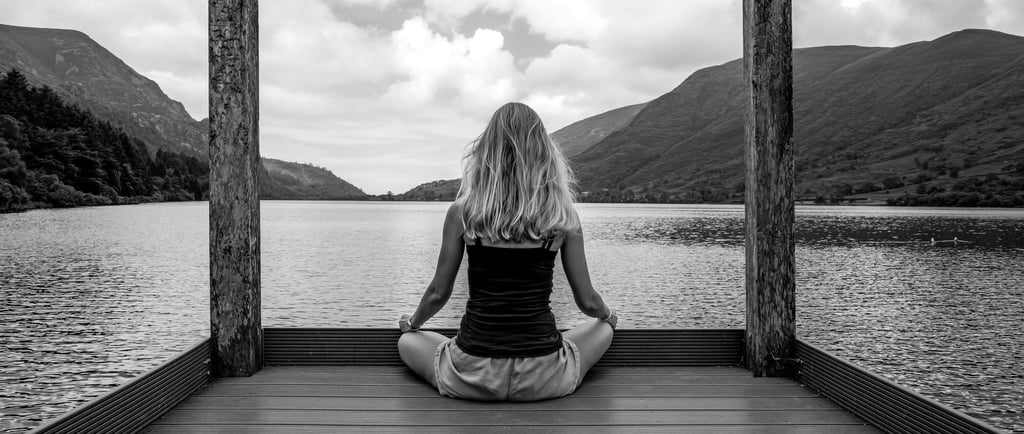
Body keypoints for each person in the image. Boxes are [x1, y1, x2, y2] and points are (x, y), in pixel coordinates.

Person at [396, 102, 617, 401]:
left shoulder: (463, 212)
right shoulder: (561, 216)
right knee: (601, 329)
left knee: (410, 342)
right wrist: (609, 316)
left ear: (488, 153)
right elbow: (589, 302)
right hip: (545, 376)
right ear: (544, 154)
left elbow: (438, 293)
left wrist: (412, 324)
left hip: (473, 374)